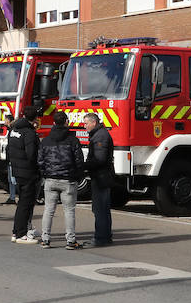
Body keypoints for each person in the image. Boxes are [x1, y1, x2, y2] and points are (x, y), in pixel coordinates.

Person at [38, 111, 85, 249]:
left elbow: (40, 161)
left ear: (53, 123)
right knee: (69, 211)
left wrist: (45, 174)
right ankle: (70, 240)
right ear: (67, 122)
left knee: (48, 210)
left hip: (50, 179)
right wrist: (77, 176)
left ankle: (45, 239)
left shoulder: (46, 140)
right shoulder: (73, 140)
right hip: (68, 180)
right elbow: (79, 161)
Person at [7, 106, 42, 244]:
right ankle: (21, 233)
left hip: (17, 170)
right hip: (28, 172)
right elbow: (31, 154)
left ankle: (17, 231)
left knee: (21, 202)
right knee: (25, 204)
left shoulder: (14, 130)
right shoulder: (29, 133)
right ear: (35, 118)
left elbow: (9, 150)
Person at [82, 112, 115, 246]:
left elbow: (100, 159)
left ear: (93, 123)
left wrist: (83, 166)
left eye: (86, 123)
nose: (84, 126)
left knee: (100, 208)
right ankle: (105, 236)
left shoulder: (100, 136)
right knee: (103, 208)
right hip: (102, 175)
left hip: (101, 176)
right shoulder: (99, 134)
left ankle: (101, 238)